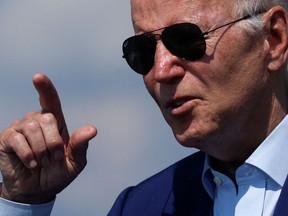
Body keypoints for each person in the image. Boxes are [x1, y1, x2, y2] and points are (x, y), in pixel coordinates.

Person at [0, 0, 287, 215]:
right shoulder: (139, 207)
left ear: (273, 38)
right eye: (143, 51)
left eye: (187, 39)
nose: (161, 71)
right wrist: (25, 203)